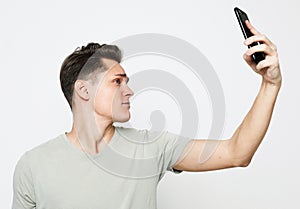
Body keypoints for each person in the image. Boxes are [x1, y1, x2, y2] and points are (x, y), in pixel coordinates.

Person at [12, 20, 282, 209]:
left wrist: (270, 84)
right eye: (117, 81)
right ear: (84, 90)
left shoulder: (151, 147)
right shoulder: (33, 166)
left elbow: (237, 152)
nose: (129, 91)